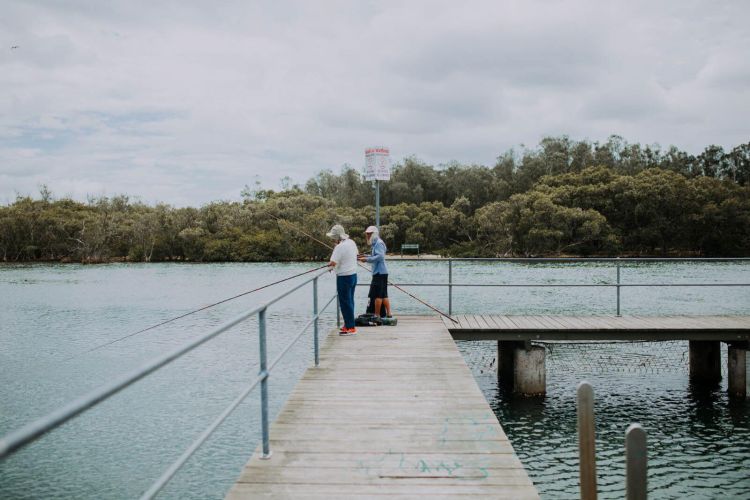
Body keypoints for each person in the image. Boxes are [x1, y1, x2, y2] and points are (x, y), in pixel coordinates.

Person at [327, 224, 358, 335]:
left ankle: (351, 327)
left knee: (345, 302)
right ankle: (348, 324)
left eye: (333, 238)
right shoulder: (352, 242)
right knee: (350, 301)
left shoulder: (339, 247)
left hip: (344, 277)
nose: (333, 240)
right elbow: (354, 255)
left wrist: (329, 266)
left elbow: (333, 263)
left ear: (337, 237)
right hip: (353, 275)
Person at [358, 225, 392, 318]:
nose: (368, 236)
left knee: (377, 295)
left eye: (369, 234)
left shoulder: (379, 243)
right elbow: (376, 256)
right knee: (384, 294)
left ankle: (376, 315)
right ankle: (388, 314)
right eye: (367, 234)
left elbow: (380, 256)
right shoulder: (376, 243)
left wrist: (367, 259)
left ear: (374, 234)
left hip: (379, 273)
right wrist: (366, 257)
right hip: (381, 272)